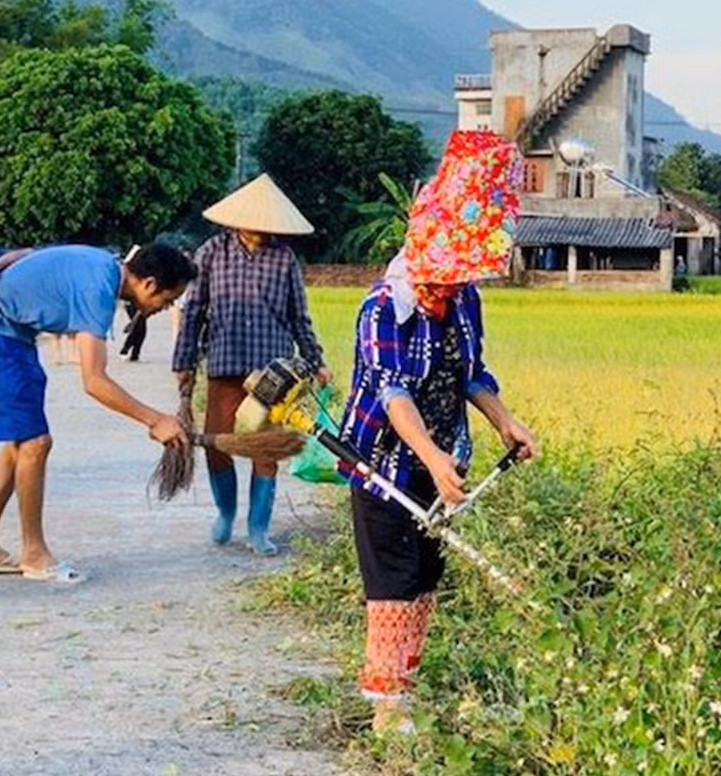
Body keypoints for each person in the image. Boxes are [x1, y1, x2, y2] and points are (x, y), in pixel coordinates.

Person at [338, 130, 540, 734]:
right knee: (393, 581)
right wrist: (428, 457)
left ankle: (405, 689)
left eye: (454, 282)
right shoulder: (382, 309)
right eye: (438, 281)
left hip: (442, 459)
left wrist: (506, 422)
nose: (445, 292)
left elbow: (471, 372)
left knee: (427, 575)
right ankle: (386, 711)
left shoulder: (463, 300)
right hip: (385, 468)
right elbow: (392, 392)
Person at [0, 243, 195, 584]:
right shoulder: (98, 289)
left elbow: (32, 252)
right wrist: (156, 420)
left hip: (8, 339)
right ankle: (34, 553)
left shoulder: (102, 263)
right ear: (148, 284)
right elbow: (94, 381)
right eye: (169, 299)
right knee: (35, 443)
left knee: (22, 443)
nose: (166, 308)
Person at [172, 174, 331, 557]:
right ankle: (226, 513)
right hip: (225, 362)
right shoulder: (211, 253)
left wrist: (316, 360)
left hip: (273, 371)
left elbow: (299, 316)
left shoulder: (284, 258)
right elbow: (193, 310)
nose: (260, 229)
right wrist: (185, 360)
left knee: (266, 446)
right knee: (217, 442)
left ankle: (258, 528)